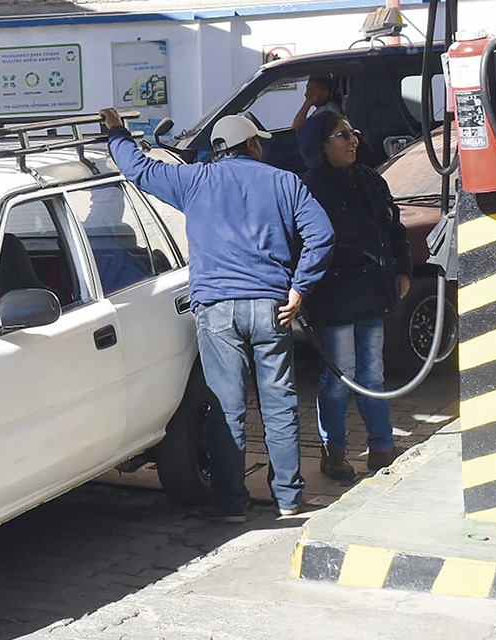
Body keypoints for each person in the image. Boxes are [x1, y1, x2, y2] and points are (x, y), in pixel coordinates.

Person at [100, 107, 334, 521]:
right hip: (272, 307)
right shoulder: (285, 182)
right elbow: (322, 234)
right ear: (252, 145)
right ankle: (288, 499)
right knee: (278, 405)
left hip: (216, 310)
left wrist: (117, 132)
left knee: (227, 409)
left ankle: (231, 504)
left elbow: (137, 167)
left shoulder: (194, 181)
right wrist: (300, 289)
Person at [296, 111, 411, 480]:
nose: (353, 140)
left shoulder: (370, 180)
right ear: (322, 145)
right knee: (338, 376)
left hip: (373, 294)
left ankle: (382, 447)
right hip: (334, 300)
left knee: (373, 374)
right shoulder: (308, 188)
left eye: (353, 132)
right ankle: (335, 452)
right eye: (342, 135)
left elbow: (394, 227)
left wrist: (403, 269)